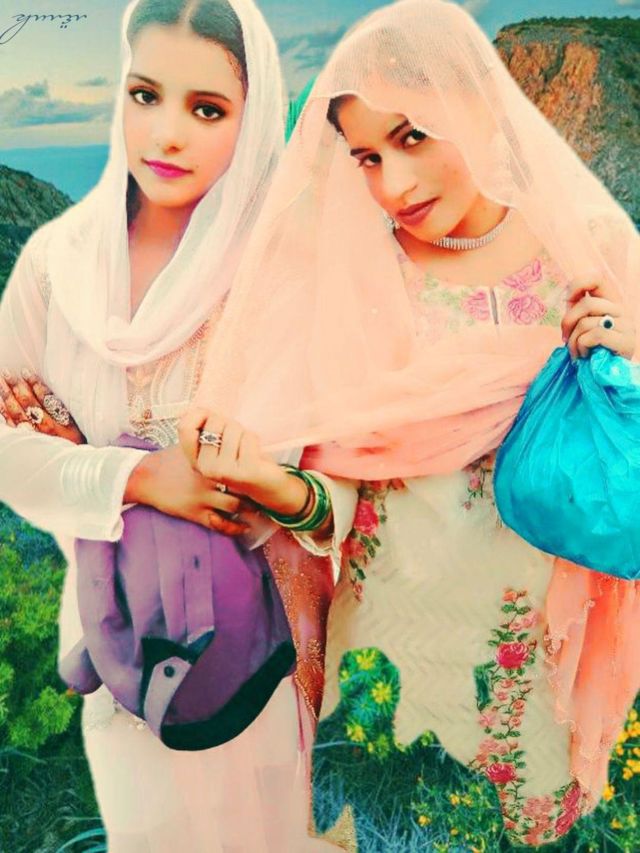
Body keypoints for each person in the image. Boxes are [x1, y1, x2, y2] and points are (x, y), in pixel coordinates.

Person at [175, 0, 640, 848]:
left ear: (478, 108)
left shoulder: (590, 250)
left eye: (413, 137)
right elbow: (337, 498)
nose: (393, 184)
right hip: (384, 661)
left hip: (532, 668)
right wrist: (267, 479)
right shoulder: (357, 277)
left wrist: (630, 363)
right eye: (367, 158)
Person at [0, 0, 334, 849]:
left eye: (207, 109)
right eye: (145, 94)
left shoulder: (282, 278)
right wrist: (142, 475)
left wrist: (81, 456)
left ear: (252, 122)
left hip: (249, 660)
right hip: (114, 653)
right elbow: (5, 452)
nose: (167, 134)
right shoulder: (58, 267)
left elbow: (293, 482)